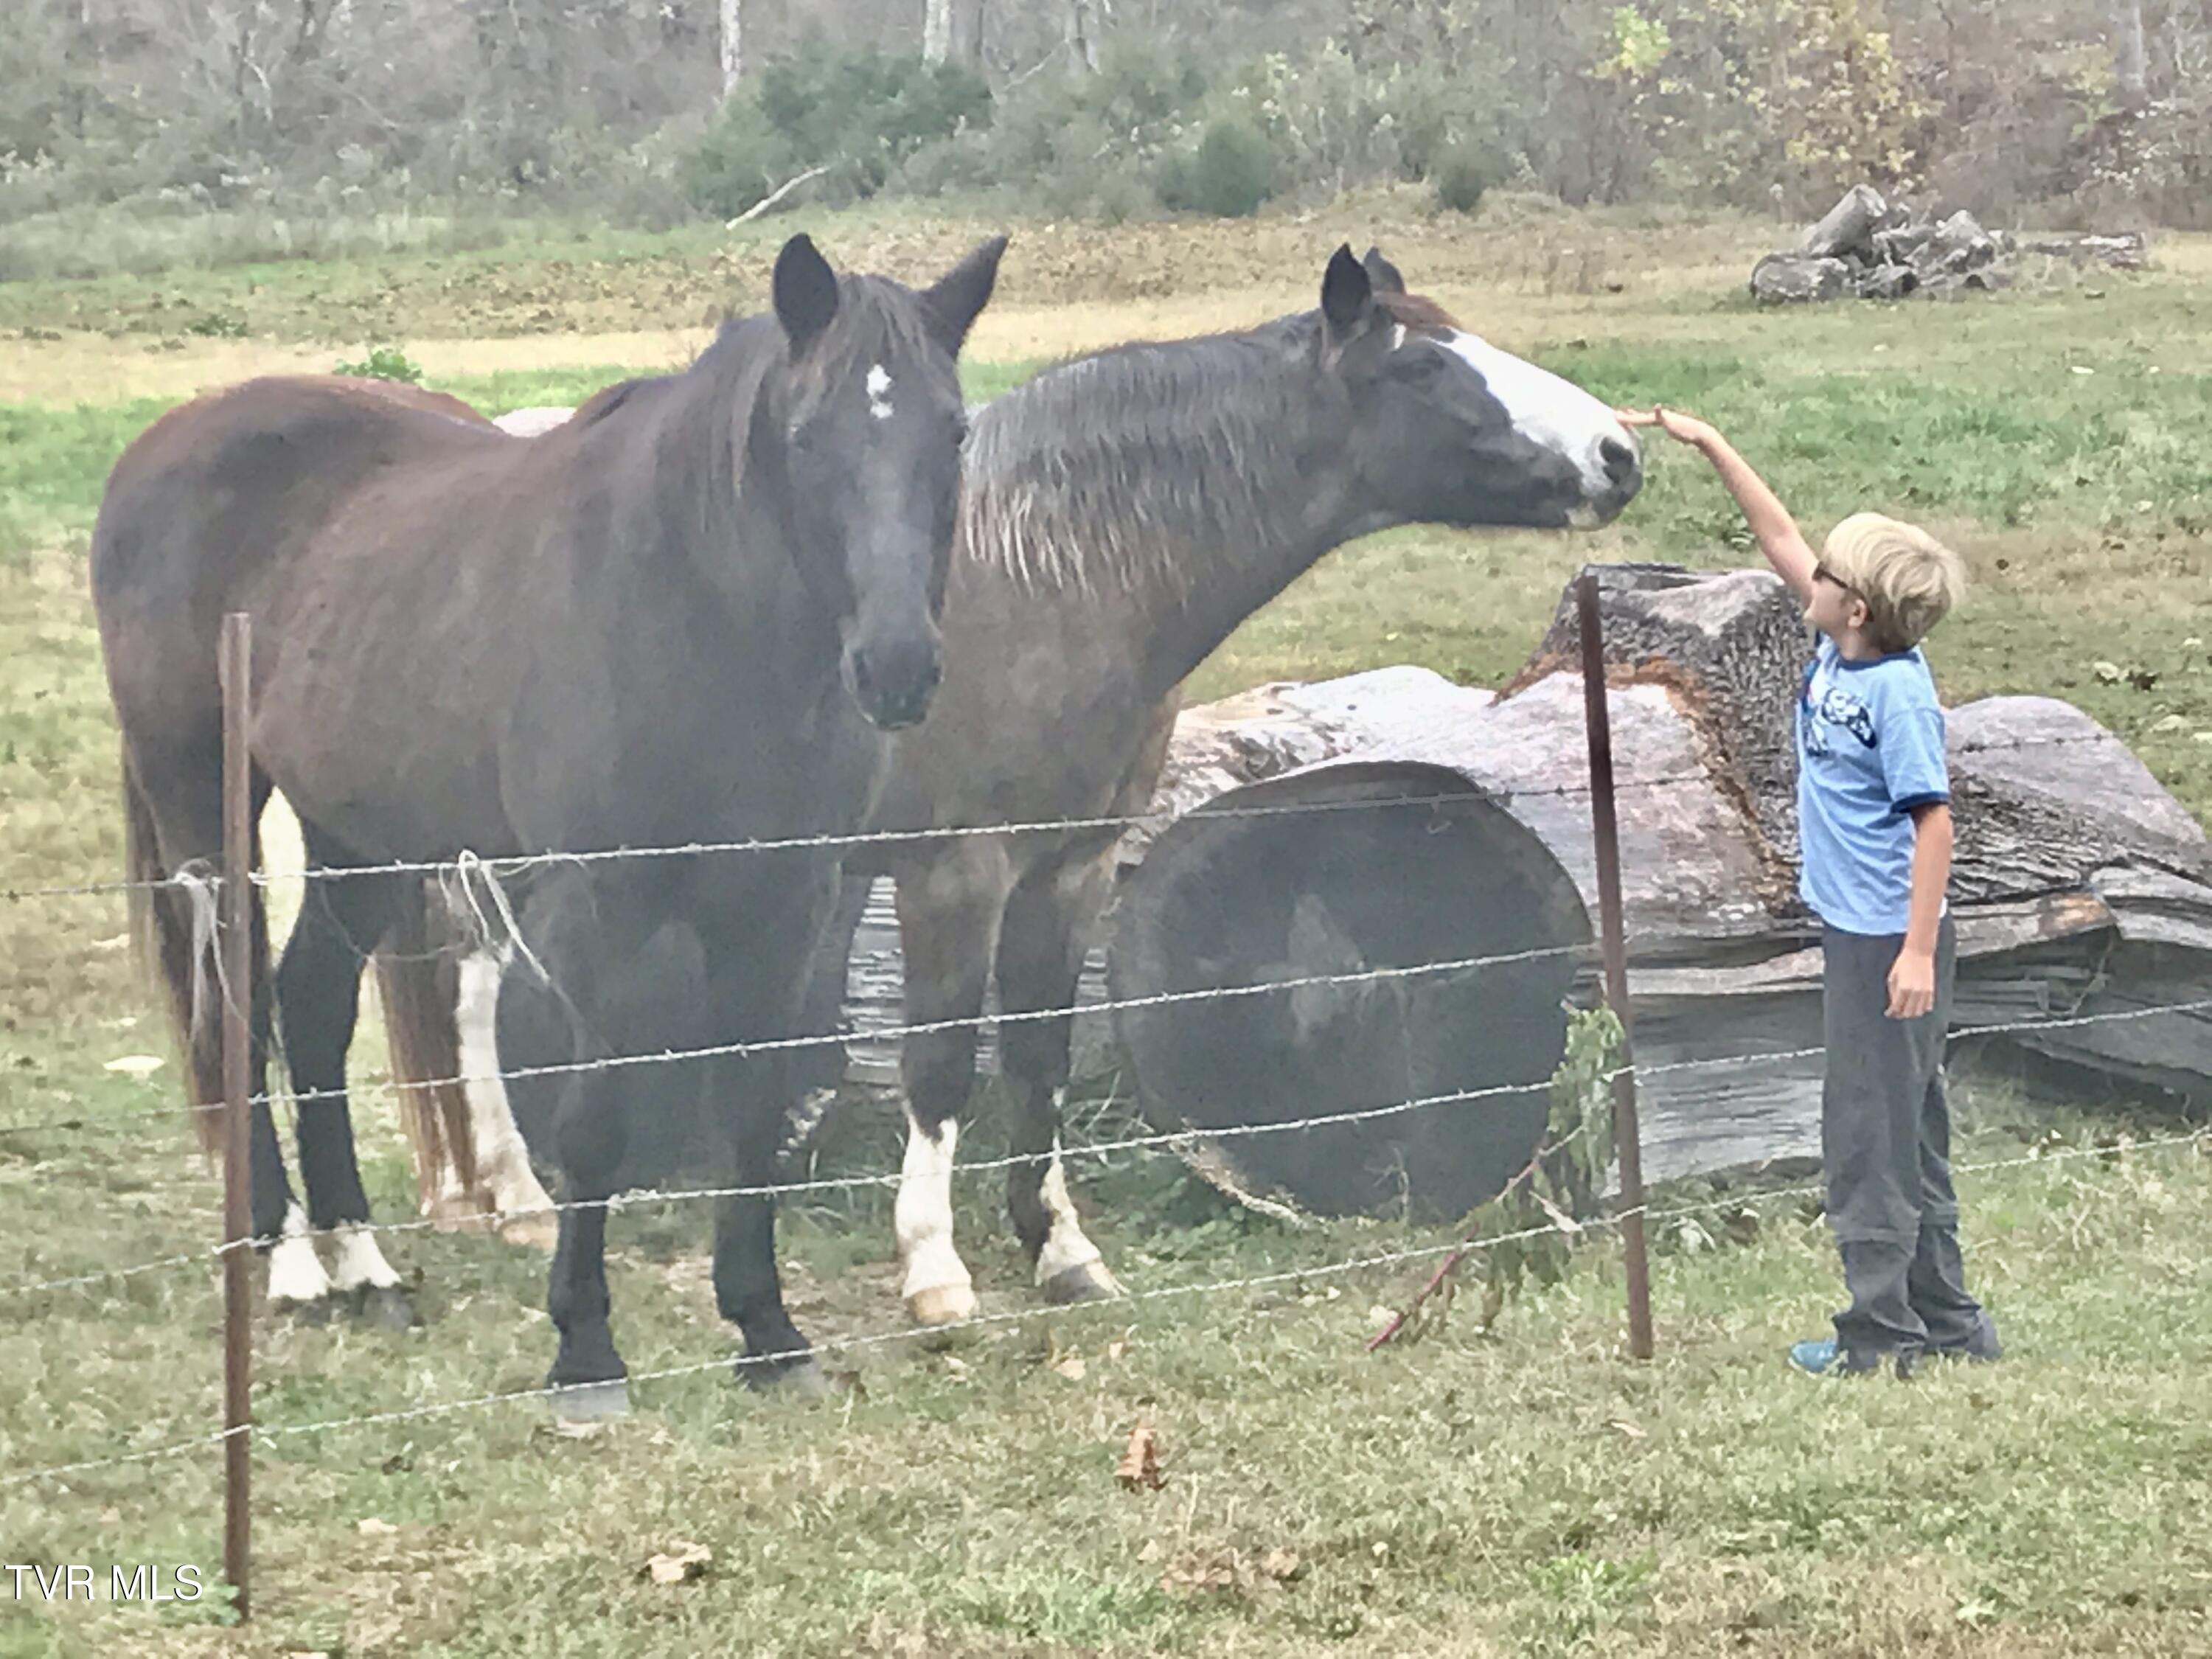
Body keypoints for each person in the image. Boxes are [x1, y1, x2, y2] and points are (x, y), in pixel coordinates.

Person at [1617, 405, 2001, 1378]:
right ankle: (1947, 1317)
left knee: (1867, 1137)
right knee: (1908, 1124)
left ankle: (1881, 1336)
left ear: (1858, 607)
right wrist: (1709, 445)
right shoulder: (1839, 649)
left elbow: (1936, 824)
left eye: (1828, 574)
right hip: (1863, 935)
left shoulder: (1896, 695)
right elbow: (1779, 531)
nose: (1810, 574)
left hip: (1887, 946)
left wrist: (1915, 952)